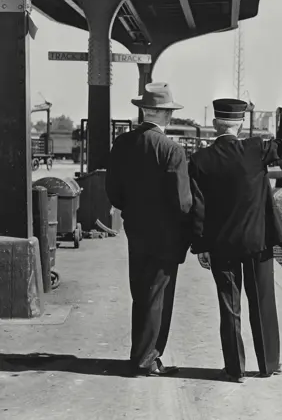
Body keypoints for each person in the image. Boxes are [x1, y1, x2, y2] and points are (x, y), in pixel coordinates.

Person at [189, 80, 282, 383]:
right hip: (258, 242)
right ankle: (269, 364)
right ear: (241, 125)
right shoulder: (256, 150)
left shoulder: (199, 160)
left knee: (229, 305)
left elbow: (197, 207)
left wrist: (201, 245)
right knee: (263, 302)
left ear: (215, 124)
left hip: (220, 245)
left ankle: (235, 369)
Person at [105, 82, 192, 377]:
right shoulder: (172, 150)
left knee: (141, 293)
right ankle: (148, 358)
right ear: (166, 114)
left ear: (143, 111)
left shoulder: (122, 143)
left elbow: (113, 192)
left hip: (135, 229)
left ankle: (140, 353)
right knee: (158, 297)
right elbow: (183, 202)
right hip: (165, 234)